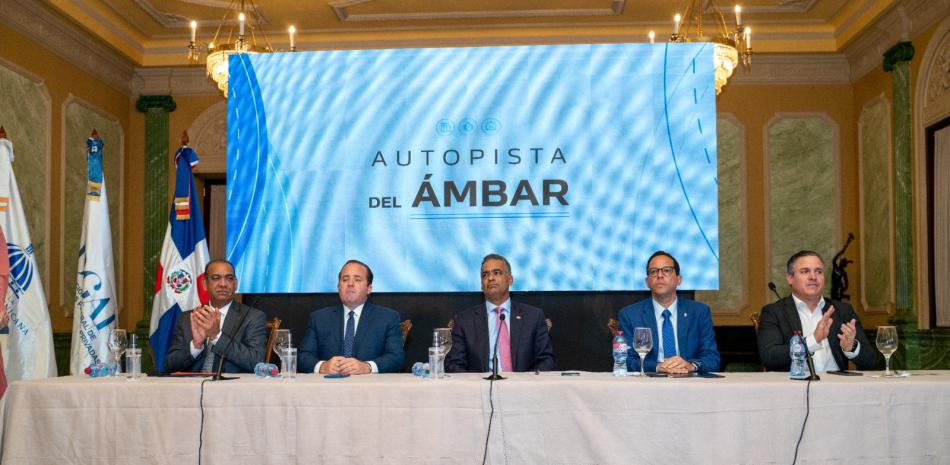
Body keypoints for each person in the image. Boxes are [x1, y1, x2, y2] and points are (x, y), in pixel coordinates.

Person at [758, 250, 881, 371]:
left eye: (819, 271)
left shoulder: (842, 311)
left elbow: (871, 361)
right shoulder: (774, 312)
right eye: (805, 271)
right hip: (793, 387)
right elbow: (770, 357)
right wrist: (813, 340)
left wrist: (851, 347)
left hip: (838, 387)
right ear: (790, 278)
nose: (813, 277)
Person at [445, 253, 557, 373]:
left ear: (510, 280)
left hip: (523, 388)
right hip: (480, 389)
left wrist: (526, 383)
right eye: (485, 275)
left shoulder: (533, 316)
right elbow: (454, 365)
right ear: (481, 285)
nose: (490, 278)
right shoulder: (464, 320)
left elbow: (547, 360)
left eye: (497, 273)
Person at [617, 251, 720, 374]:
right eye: (654, 271)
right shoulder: (630, 315)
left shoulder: (699, 312)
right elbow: (625, 360)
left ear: (678, 279)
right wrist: (657, 367)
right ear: (647, 282)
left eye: (666, 270)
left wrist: (691, 366)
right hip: (648, 385)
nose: (660, 275)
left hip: (689, 383)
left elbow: (712, 359)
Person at [298, 260, 405, 374]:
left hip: (371, 388)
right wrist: (322, 366)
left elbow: (396, 358)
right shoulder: (319, 318)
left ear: (369, 288)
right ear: (339, 286)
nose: (350, 284)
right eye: (345, 279)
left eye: (357, 279)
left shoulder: (387, 318)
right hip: (328, 387)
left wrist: (367, 367)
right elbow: (303, 356)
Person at [164, 259, 268, 373]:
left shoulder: (253, 317)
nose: (223, 284)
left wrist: (216, 336)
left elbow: (256, 362)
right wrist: (196, 345)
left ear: (235, 284)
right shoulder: (189, 318)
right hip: (192, 387)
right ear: (204, 284)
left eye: (229, 278)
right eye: (216, 278)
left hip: (232, 388)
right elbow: (170, 365)